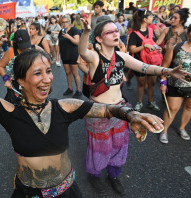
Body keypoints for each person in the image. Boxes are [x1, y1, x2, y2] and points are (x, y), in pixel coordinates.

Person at [0, 21, 165, 197]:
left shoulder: (64, 107)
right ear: (20, 81)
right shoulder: (8, 111)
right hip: (28, 193)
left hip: (67, 192)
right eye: (37, 73)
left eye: (48, 71)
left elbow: (107, 110)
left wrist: (132, 114)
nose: (47, 79)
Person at [79, 17, 190, 195]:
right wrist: (86, 31)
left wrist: (168, 72)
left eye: (116, 30)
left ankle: (113, 175)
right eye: (110, 32)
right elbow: (82, 50)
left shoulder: (121, 56)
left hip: (121, 111)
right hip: (98, 112)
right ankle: (95, 174)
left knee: (119, 145)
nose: (115, 33)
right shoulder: (94, 57)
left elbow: (145, 67)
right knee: (100, 147)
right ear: (99, 38)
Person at [159, 24, 191, 144]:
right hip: (175, 85)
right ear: (188, 33)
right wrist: (163, 82)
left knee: (189, 108)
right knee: (172, 108)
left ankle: (182, 128)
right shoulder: (176, 48)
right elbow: (164, 67)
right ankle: (164, 130)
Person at [0, 29, 44, 104]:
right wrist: (6, 79)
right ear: (15, 42)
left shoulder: (36, 49)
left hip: (33, 87)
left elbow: (47, 63)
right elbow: (0, 66)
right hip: (15, 89)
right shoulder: (11, 52)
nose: (25, 48)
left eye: (26, 45)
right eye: (22, 46)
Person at [128, 9, 162, 111]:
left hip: (152, 61)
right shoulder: (134, 34)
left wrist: (157, 48)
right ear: (144, 19)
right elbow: (132, 49)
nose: (152, 18)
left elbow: (153, 43)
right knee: (141, 83)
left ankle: (151, 102)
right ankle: (139, 102)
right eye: (151, 16)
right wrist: (144, 46)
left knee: (152, 83)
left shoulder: (151, 31)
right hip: (140, 62)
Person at [58, 15, 83, 98]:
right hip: (64, 54)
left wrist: (68, 37)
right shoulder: (61, 31)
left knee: (75, 73)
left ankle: (78, 90)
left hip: (73, 54)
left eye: (66, 22)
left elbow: (77, 42)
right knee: (67, 73)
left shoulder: (74, 30)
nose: (64, 24)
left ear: (70, 22)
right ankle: (70, 88)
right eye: (63, 22)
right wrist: (58, 56)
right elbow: (59, 44)